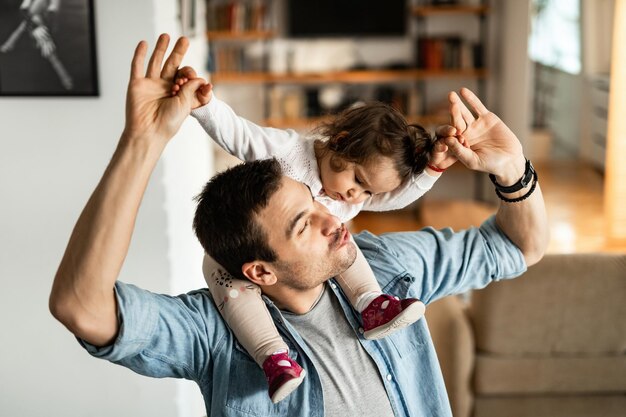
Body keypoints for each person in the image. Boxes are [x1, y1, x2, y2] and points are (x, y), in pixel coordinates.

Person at [50, 35, 549, 417]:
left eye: (316, 204)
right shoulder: (216, 335)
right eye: (301, 223)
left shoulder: (388, 269)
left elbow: (520, 247)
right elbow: (81, 306)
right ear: (260, 271)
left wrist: (513, 171)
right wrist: (143, 140)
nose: (332, 216)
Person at [171, 68, 460, 402]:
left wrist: (432, 170)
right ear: (339, 141)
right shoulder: (288, 153)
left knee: (344, 243)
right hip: (246, 246)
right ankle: (273, 358)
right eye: (357, 180)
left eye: (367, 193)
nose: (356, 197)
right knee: (226, 281)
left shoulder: (349, 198)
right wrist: (205, 106)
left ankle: (370, 303)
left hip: (313, 252)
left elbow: (393, 198)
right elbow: (239, 134)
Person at [0, 0, 73, 90]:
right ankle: (65, 79)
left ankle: (65, 78)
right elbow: (24, 11)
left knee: (49, 50)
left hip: (41, 25)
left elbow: (51, 18)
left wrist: (41, 29)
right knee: (28, 24)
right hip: (35, 22)